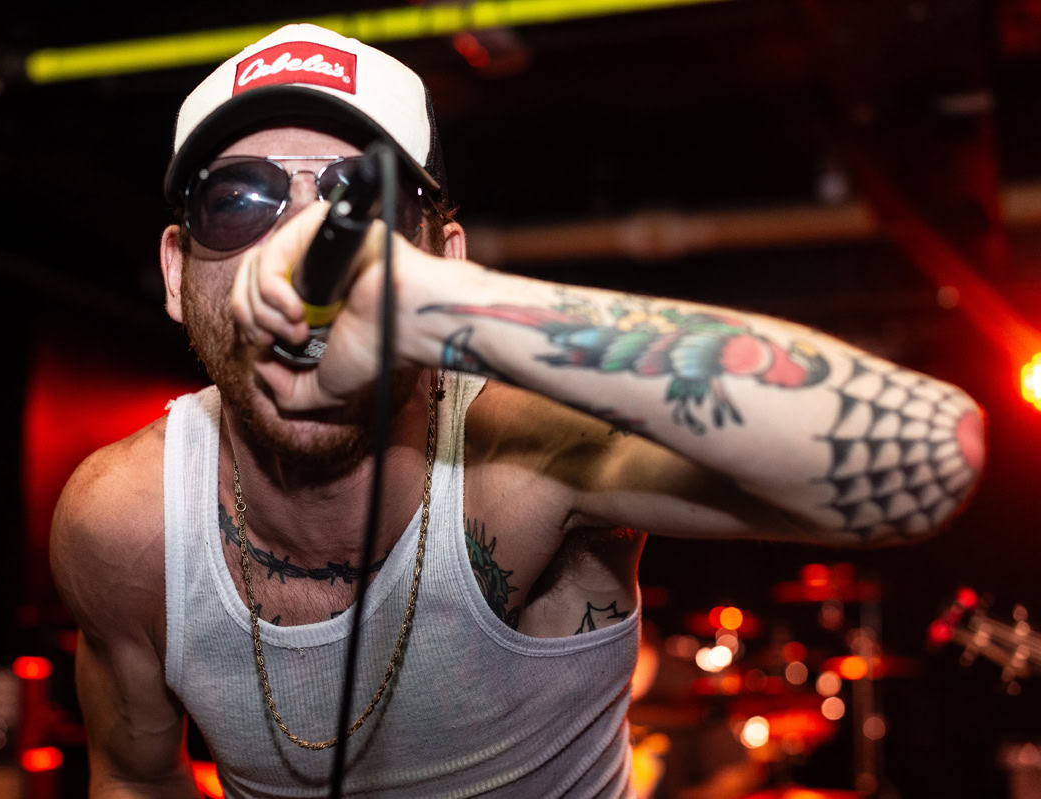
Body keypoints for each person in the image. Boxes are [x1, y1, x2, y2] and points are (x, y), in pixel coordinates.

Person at [49, 23, 986, 798]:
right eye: (238, 200)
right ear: (176, 273)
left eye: (357, 204)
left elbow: (927, 458)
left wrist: (434, 313)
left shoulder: (533, 459)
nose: (295, 248)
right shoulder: (126, 524)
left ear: (442, 257)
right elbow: (133, 777)